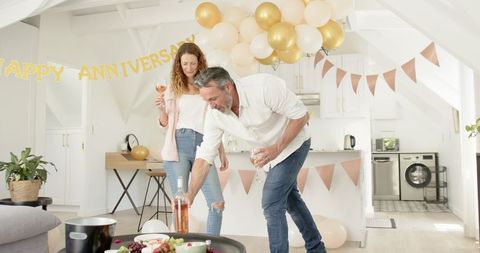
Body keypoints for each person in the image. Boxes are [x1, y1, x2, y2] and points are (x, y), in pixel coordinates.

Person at [185, 67, 326, 253]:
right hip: (269, 154)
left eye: (213, 99)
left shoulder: (263, 87)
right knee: (291, 201)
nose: (210, 105)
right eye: (206, 101)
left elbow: (301, 115)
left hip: (294, 143)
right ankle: (317, 248)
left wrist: (276, 149)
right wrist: (190, 195)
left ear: (228, 87)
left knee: (271, 201)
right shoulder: (214, 114)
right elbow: (204, 157)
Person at [155, 43, 228, 236]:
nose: (188, 68)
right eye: (184, 63)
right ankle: (181, 246)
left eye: (192, 63)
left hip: (204, 145)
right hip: (178, 145)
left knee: (217, 203)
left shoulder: (207, 88)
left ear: (199, 63)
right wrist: (162, 108)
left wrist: (221, 150)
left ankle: (213, 246)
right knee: (180, 204)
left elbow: (215, 120)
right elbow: (165, 125)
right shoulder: (172, 89)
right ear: (179, 64)